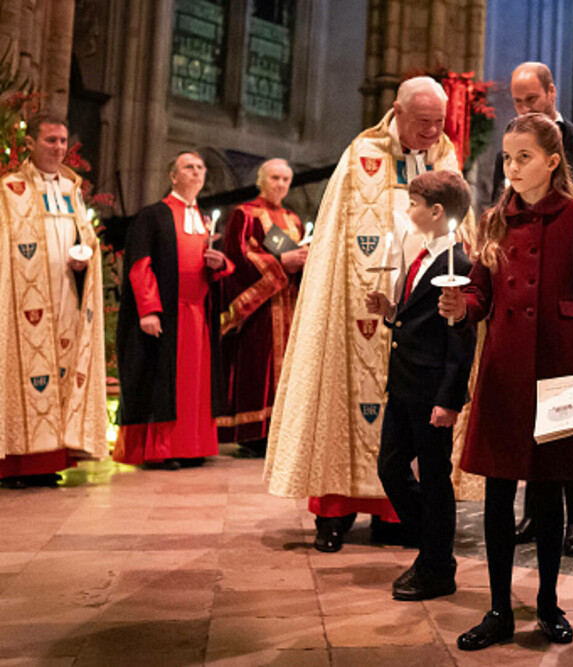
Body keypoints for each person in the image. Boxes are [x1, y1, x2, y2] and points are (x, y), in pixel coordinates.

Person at [264, 76, 471, 554]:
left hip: (420, 303)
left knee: (412, 416)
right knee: (344, 398)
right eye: (423, 122)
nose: (433, 132)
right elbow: (336, 235)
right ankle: (334, 514)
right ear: (396, 111)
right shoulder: (362, 155)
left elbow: (462, 226)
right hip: (358, 301)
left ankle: (397, 514)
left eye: (440, 122)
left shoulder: (445, 154)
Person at [439, 113, 573, 650]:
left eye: (525, 158)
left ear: (553, 161)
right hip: (505, 369)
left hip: (560, 372)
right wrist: (459, 306)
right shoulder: (494, 220)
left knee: (548, 493)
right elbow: (481, 296)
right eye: (508, 159)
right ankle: (497, 609)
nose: (513, 168)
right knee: (497, 492)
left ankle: (546, 603)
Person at [491, 61, 573, 558]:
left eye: (531, 99)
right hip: (526, 309)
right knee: (529, 429)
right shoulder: (513, 152)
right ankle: (532, 514)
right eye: (518, 102)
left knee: (566, 429)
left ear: (551, 91)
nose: (524, 108)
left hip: (572, 281)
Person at [365, 170, 476, 601]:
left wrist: (449, 399)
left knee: (434, 478)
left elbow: (459, 338)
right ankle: (432, 547)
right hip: (404, 383)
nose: (407, 211)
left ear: (435, 211)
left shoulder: (459, 265)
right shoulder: (424, 255)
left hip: (432, 391)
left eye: (413, 204)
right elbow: (420, 319)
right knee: (390, 469)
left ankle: (437, 566)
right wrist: (392, 310)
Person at [0, 114, 106, 487]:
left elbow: (86, 235)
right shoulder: (9, 189)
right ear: (31, 144)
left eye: (63, 141)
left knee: (59, 372)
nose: (59, 148)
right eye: (51, 141)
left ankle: (49, 461)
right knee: (20, 374)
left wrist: (85, 258)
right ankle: (16, 464)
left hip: (65, 295)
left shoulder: (71, 188)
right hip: (21, 303)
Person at [115, 151, 234, 470]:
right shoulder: (153, 215)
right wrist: (149, 310)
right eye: (188, 167)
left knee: (195, 384)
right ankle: (163, 449)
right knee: (166, 380)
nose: (196, 172)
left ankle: (193, 446)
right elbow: (140, 265)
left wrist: (219, 263)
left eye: (200, 168)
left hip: (198, 316)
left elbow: (218, 264)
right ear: (173, 176)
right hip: (169, 314)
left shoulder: (206, 218)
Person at [217, 158, 308, 458]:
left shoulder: (293, 219)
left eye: (285, 179)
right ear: (261, 180)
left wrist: (305, 259)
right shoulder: (244, 214)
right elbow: (238, 256)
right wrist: (281, 264)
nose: (280, 184)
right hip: (259, 310)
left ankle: (283, 431)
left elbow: (297, 255)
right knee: (257, 365)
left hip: (290, 304)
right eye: (274, 178)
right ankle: (254, 432)